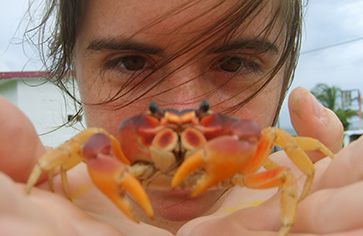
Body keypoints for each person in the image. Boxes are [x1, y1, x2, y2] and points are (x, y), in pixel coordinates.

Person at [1, 0, 363, 235]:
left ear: (284, 79)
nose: (183, 105)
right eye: (132, 62)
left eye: (233, 63)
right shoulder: (35, 199)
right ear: (73, 73)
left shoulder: (302, 198)